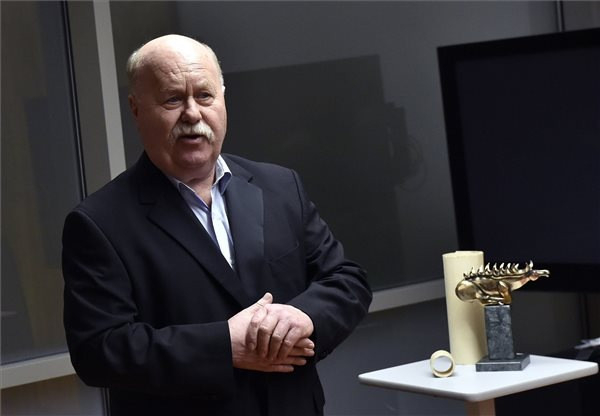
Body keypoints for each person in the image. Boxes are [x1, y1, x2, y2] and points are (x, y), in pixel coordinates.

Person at [62, 34, 372, 416]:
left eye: (205, 96)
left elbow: (346, 280)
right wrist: (224, 345)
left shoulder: (280, 186)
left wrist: (304, 316)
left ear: (223, 99)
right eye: (173, 99)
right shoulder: (99, 222)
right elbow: (98, 350)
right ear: (136, 109)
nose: (192, 114)